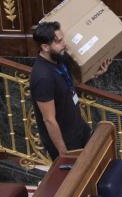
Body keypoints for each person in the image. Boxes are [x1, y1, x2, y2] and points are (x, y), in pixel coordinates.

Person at [30, 21, 112, 160]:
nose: (64, 44)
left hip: (78, 127)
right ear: (45, 47)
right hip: (66, 141)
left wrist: (95, 73)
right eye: (58, 42)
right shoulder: (42, 77)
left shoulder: (58, 59)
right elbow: (49, 120)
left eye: (63, 39)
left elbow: (68, 84)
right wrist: (63, 152)